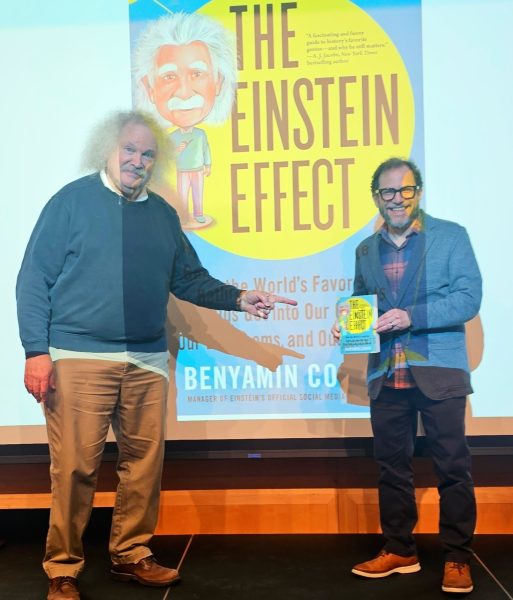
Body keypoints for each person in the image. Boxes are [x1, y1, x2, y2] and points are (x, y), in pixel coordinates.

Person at [16, 110, 296, 600]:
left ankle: (131, 554)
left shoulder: (163, 215)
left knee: (143, 464)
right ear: (107, 149)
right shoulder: (70, 202)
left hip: (146, 359)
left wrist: (239, 298)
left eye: (147, 154)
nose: (138, 161)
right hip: (79, 355)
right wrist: (35, 351)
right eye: (129, 149)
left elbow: (189, 279)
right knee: (76, 468)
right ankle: (63, 568)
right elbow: (33, 279)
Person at [332, 158, 482, 594]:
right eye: (388, 191)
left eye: (405, 189)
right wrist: (347, 324)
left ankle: (457, 557)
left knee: (453, 468)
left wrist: (410, 316)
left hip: (440, 371)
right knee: (391, 469)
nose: (397, 198)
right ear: (376, 197)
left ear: (419, 191)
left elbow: (468, 299)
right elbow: (362, 302)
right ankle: (400, 550)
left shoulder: (451, 236)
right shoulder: (366, 250)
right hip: (386, 373)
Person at [133, 12, 236, 228]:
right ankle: (182, 216)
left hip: (198, 170)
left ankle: (198, 214)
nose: (185, 92)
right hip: (181, 173)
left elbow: (206, 150)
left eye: (197, 73)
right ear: (149, 87)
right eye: (169, 77)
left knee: (198, 192)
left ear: (218, 81)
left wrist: (207, 165)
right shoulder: (165, 139)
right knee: (182, 193)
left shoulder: (201, 134)